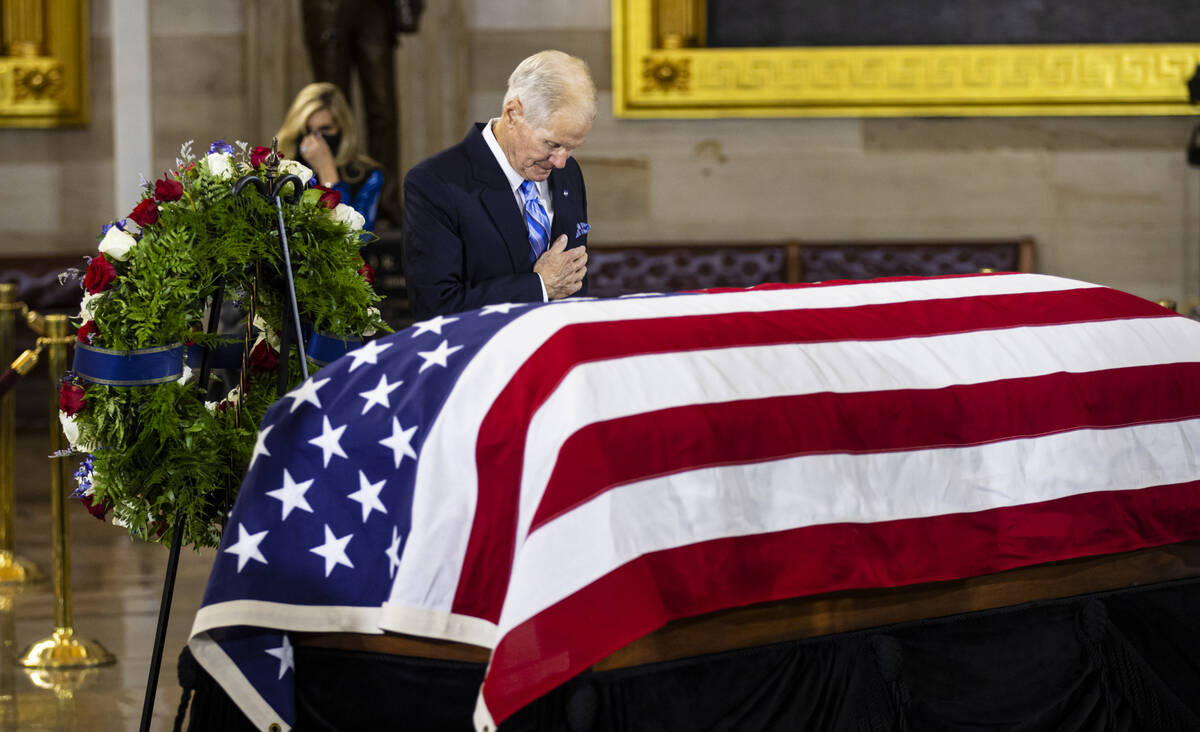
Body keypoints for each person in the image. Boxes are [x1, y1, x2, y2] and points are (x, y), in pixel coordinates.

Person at [402, 50, 594, 319]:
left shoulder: (568, 172)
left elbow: (573, 280)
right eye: (551, 144)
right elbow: (434, 305)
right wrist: (538, 287)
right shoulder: (435, 182)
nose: (560, 162)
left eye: (571, 147)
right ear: (513, 113)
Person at [276, 82, 385, 232]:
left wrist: (327, 171)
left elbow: (356, 236)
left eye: (325, 129)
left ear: (342, 128)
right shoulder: (283, 170)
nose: (315, 140)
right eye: (307, 130)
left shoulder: (366, 175)